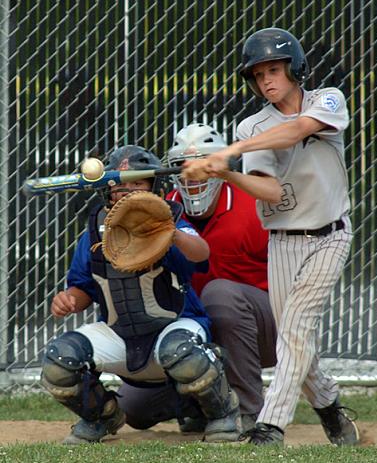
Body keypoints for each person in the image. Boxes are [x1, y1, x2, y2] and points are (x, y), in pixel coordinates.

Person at [181, 28, 360, 446]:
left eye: (274, 69)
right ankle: (330, 407)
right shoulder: (252, 125)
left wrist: (228, 153)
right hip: (282, 240)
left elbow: (297, 130)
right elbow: (271, 191)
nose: (267, 80)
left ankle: (270, 426)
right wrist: (224, 172)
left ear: (295, 68)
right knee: (292, 335)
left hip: (330, 235)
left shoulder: (327, 99)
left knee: (295, 328)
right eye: (259, 75)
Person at [41, 145, 242, 444]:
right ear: (107, 191)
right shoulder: (95, 231)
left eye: (138, 184)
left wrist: (169, 231)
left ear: (153, 187)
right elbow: (83, 287)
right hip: (119, 334)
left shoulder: (171, 219)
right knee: (59, 360)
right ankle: (102, 417)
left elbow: (201, 254)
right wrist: (69, 299)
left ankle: (222, 414)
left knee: (182, 354)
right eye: (120, 185)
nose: (128, 191)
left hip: (175, 327)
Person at [117, 124, 277, 434]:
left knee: (220, 295)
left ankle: (247, 410)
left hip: (264, 330)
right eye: (183, 166)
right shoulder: (163, 208)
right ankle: (200, 405)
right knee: (133, 409)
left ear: (220, 164)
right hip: (194, 331)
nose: (194, 174)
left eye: (204, 163)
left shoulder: (250, 203)